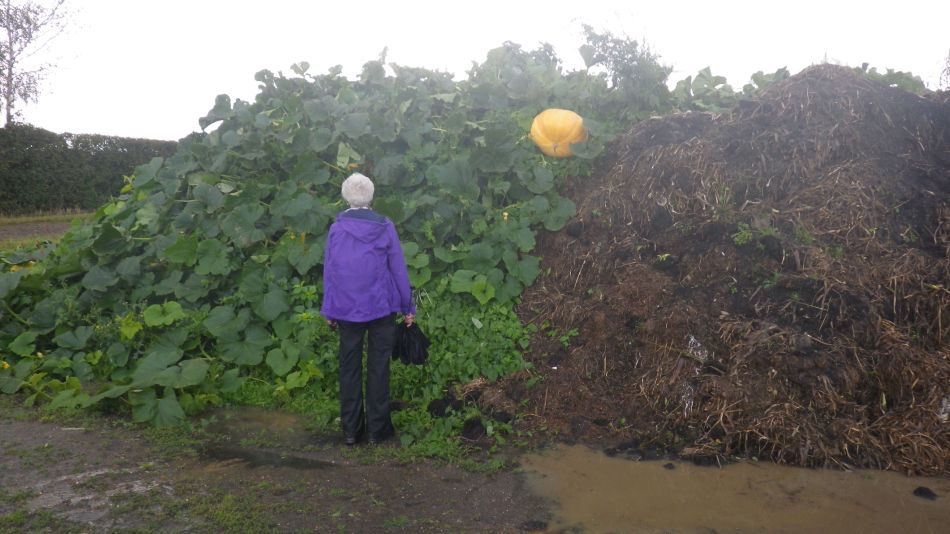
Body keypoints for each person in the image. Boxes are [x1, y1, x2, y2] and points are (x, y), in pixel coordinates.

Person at [320, 172, 415, 446]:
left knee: (348, 367)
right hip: (381, 307)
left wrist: (330, 309)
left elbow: (331, 270)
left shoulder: (337, 228)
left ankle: (351, 431)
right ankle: (377, 430)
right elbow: (397, 268)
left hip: (347, 309)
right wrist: (407, 305)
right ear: (371, 196)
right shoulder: (385, 226)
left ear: (345, 195)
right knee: (378, 367)